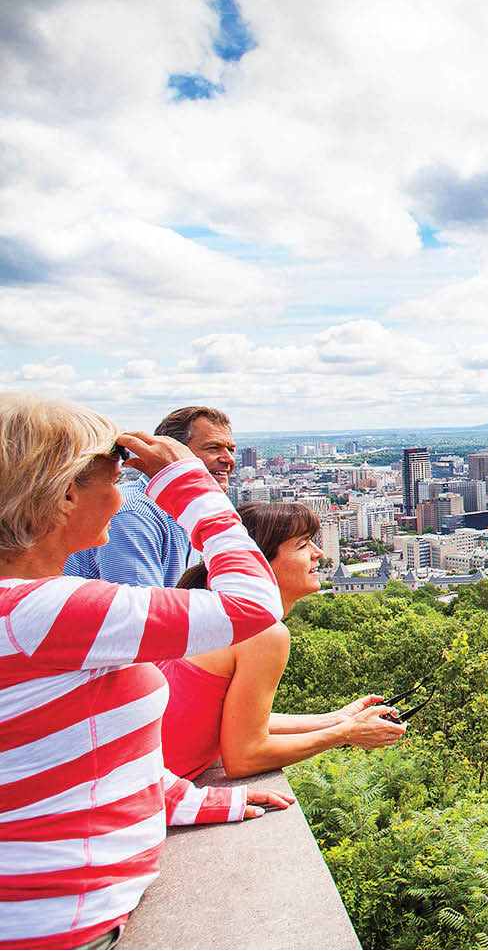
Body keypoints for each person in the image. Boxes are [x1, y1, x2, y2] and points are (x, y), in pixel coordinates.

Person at [0, 394, 292, 950]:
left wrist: (190, 800)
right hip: (57, 930)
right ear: (63, 495)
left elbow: (78, 755)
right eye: (113, 478)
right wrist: (189, 486)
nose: (125, 495)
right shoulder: (41, 613)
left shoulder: (24, 615)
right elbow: (254, 607)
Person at [160, 503, 405, 780]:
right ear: (260, 563)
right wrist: (345, 734)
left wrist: (336, 719)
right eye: (303, 545)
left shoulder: (219, 614)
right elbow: (244, 756)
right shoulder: (262, 631)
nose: (318, 554)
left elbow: (235, 722)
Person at [63, 405, 238, 589]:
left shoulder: (186, 512)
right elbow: (139, 613)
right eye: (213, 448)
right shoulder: (135, 515)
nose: (228, 459)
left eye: (231, 450)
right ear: (172, 452)